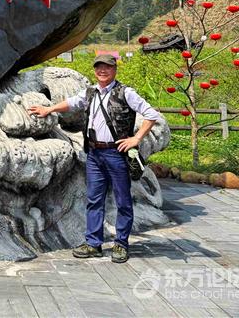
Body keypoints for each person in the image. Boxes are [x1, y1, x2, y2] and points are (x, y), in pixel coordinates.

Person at [26, 54, 161, 264]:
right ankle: (93, 243)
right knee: (94, 200)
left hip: (116, 153)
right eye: (99, 67)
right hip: (94, 154)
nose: (102, 71)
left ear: (114, 69)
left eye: (107, 67)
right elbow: (72, 103)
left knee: (123, 201)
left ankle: (121, 244)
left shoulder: (125, 93)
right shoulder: (90, 92)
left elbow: (151, 115)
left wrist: (136, 138)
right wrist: (49, 109)